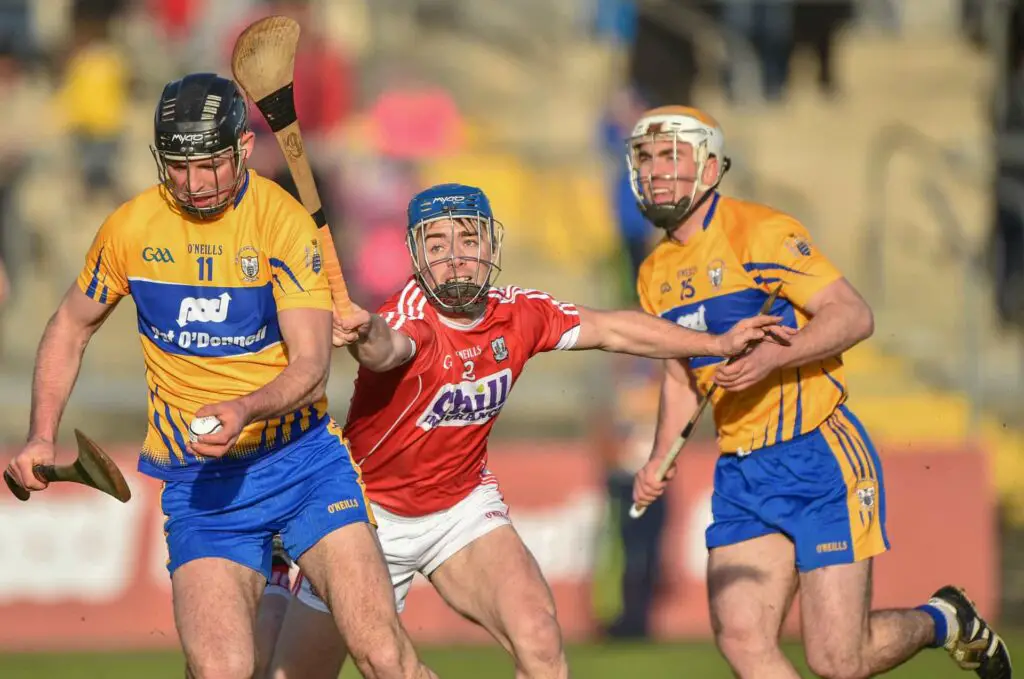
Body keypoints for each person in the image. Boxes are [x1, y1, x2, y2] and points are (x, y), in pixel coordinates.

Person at [259, 182, 791, 679]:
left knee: (539, 637)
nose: (455, 256)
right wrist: (366, 332)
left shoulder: (519, 313)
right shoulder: (408, 319)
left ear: (491, 243)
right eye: (438, 244)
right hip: (366, 519)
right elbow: (385, 348)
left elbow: (612, 327)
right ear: (417, 254)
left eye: (468, 239)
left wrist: (716, 345)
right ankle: (280, 588)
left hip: (461, 509)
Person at [3, 72, 435, 679]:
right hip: (202, 486)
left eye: (211, 164)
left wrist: (245, 409)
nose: (196, 184)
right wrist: (41, 434)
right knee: (223, 671)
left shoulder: (281, 221)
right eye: (178, 167)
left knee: (384, 656)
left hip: (303, 464)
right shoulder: (132, 228)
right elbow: (69, 326)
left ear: (242, 150)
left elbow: (311, 369)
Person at [628, 105, 1012, 679]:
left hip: (817, 458)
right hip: (742, 472)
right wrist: (661, 456)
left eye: (671, 156)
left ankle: (945, 618)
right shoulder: (654, 272)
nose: (657, 170)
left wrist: (770, 359)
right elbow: (681, 370)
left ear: (709, 169)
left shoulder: (760, 232)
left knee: (838, 660)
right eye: (646, 158)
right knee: (741, 638)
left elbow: (852, 315)